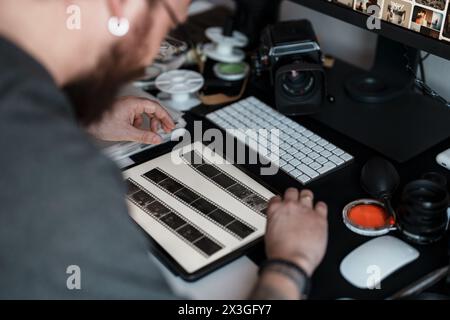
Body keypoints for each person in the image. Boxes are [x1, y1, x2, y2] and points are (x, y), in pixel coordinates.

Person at [0, 0, 328, 299]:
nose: (154, 50)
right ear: (125, 6)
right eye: (170, 23)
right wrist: (290, 264)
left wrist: (85, 119)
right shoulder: (61, 186)